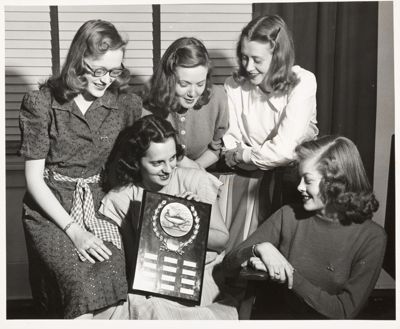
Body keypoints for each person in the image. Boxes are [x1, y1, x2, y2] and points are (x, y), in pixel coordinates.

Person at [18, 19, 142, 319]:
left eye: (115, 71)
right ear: (79, 61)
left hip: (101, 204)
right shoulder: (42, 103)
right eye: (99, 70)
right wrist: (75, 232)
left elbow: (146, 149)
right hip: (50, 209)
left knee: (114, 271)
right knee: (74, 280)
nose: (107, 79)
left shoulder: (126, 104)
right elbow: (34, 179)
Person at [222, 135, 387, 319]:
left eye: (308, 180)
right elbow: (228, 264)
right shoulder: (288, 215)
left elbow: (343, 311)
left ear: (336, 184)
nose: (299, 187)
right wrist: (260, 248)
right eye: (300, 178)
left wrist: (289, 274)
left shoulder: (372, 237)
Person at [98, 115, 238, 319]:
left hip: (199, 281)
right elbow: (129, 266)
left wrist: (190, 219)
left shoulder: (195, 181)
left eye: (172, 158)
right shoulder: (120, 198)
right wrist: (155, 225)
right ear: (136, 162)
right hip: (152, 284)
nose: (168, 169)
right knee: (143, 308)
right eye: (157, 163)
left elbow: (221, 241)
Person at [219, 14, 319, 251]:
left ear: (279, 58)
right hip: (249, 175)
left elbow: (284, 152)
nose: (248, 67)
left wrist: (245, 155)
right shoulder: (232, 85)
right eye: (244, 57)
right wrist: (251, 156)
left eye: (257, 59)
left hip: (292, 175)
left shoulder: (303, 81)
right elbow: (230, 145)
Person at [143, 37, 229, 170]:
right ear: (168, 79)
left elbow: (217, 146)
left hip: (206, 172)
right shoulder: (149, 106)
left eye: (200, 84)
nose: (193, 93)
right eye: (184, 84)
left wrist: (196, 169)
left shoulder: (218, 98)